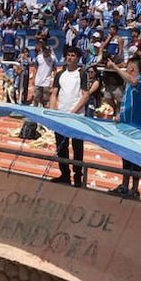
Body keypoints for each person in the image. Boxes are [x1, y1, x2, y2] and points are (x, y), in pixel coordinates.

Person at [105, 56, 141, 199]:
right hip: (125, 125)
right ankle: (124, 185)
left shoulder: (139, 81)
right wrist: (119, 115)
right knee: (125, 157)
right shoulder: (128, 85)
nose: (126, 68)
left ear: (132, 67)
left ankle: (134, 189)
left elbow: (133, 80)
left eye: (128, 65)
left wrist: (115, 67)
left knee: (135, 159)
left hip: (135, 127)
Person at [48, 46, 89, 187]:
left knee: (77, 148)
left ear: (77, 58)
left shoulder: (81, 73)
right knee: (62, 147)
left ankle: (78, 176)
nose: (70, 58)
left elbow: (85, 95)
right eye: (68, 55)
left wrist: (74, 111)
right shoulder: (60, 74)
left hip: (76, 117)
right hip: (61, 116)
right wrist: (53, 110)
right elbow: (54, 93)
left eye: (73, 55)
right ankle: (65, 174)